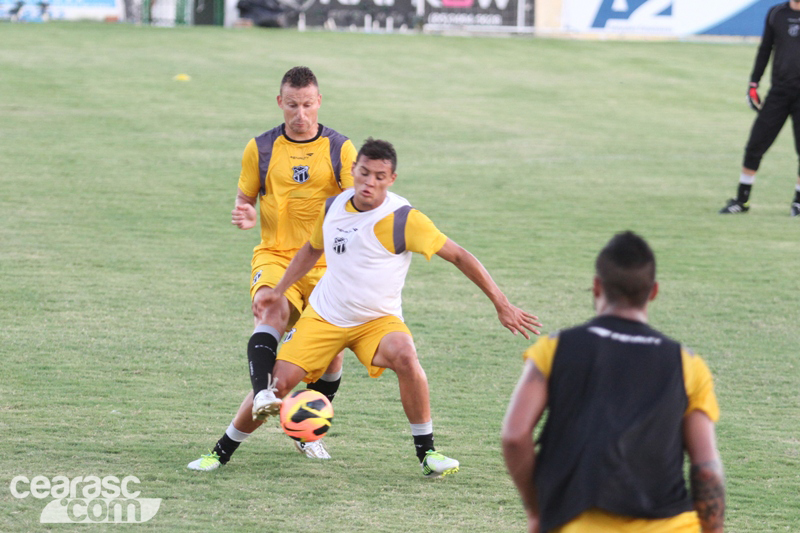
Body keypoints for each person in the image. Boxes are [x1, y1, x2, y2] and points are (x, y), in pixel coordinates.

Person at [250, 138, 542, 477]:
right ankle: (223, 449)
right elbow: (312, 249)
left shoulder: (405, 219)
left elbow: (460, 255)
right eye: (363, 173)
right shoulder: (335, 206)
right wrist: (280, 289)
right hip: (330, 312)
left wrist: (501, 303)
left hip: (377, 320)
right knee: (277, 385)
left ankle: (428, 453)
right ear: (353, 171)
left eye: (379, 176)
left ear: (391, 179)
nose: (369, 182)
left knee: (405, 356)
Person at [188, 66, 357, 471]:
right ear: (280, 102)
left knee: (331, 360)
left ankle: (306, 431)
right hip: (276, 256)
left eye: (307, 104)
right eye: (292, 105)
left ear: (319, 102)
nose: (300, 113)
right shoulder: (260, 148)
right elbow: (245, 197)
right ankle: (257, 402)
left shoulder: (340, 149)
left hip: (326, 265)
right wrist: (245, 213)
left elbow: (357, 207)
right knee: (271, 310)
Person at [502, 231, 725, 533]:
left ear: (596, 287)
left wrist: (537, 509)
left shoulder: (556, 348)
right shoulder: (688, 363)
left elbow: (515, 435)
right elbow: (706, 470)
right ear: (654, 291)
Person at [719, 0, 800, 216]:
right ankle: (741, 200)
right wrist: (754, 83)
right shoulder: (776, 14)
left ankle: (799, 202)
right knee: (755, 145)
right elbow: (765, 48)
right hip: (779, 92)